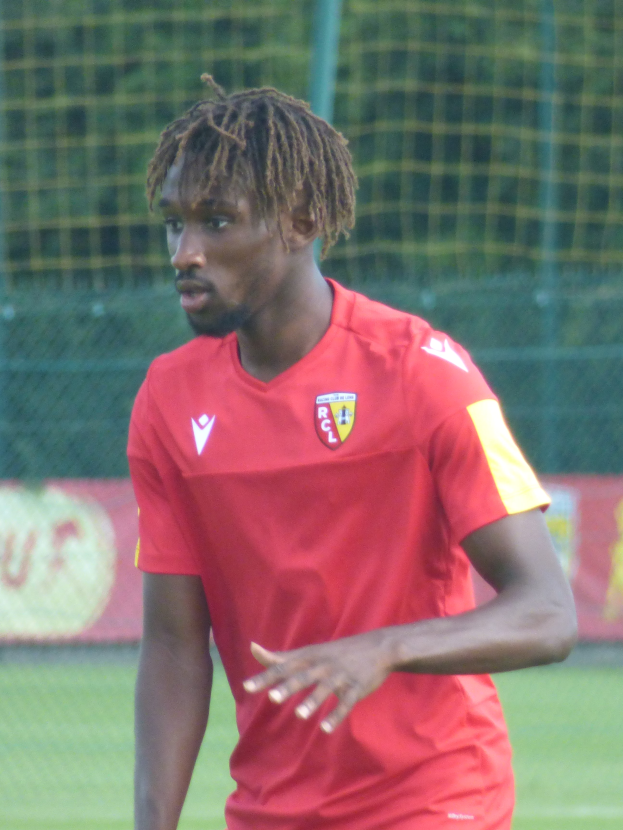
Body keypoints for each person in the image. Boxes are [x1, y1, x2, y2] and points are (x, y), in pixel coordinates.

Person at [128, 75, 577, 830]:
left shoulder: (426, 375)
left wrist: (384, 649)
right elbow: (175, 647)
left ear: (300, 219)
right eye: (175, 224)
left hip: (436, 799)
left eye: (216, 221)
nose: (186, 252)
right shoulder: (168, 401)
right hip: (270, 810)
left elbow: (548, 612)